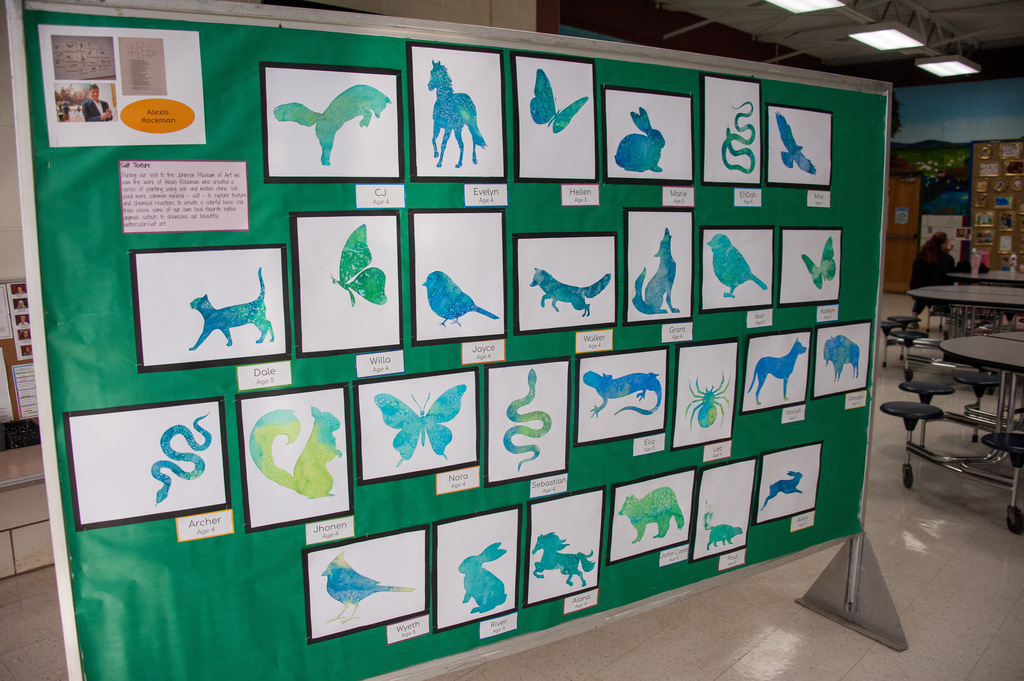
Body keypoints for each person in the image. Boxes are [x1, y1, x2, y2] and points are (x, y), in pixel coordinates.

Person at [909, 231, 955, 314]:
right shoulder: (946, 259)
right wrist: (947, 252)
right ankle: (945, 312)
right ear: (942, 243)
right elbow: (948, 275)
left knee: (923, 295)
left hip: (919, 288)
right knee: (943, 289)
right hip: (939, 290)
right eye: (947, 241)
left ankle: (914, 316)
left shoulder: (923, 254)